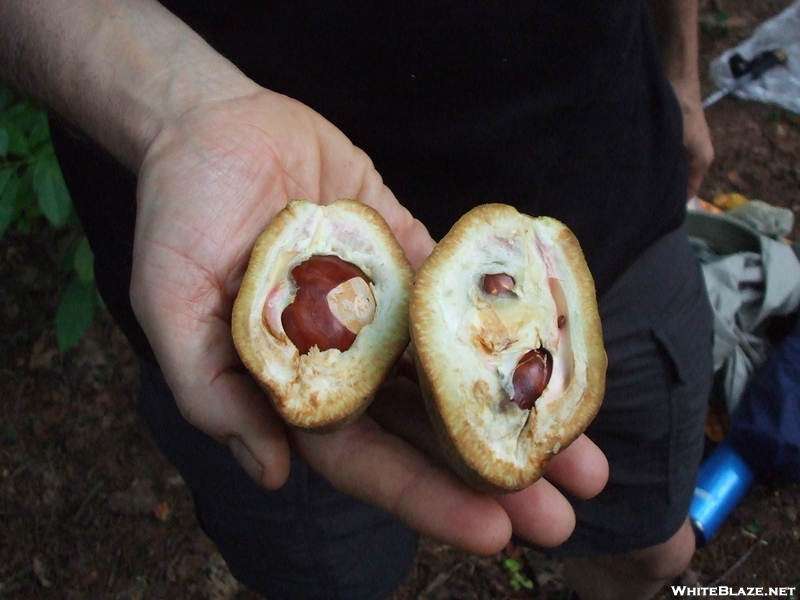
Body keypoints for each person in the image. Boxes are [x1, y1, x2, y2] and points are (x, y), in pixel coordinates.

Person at [0, 1, 714, 598]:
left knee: (649, 548)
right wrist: (176, 110)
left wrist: (683, 68)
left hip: (606, 172)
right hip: (235, 214)